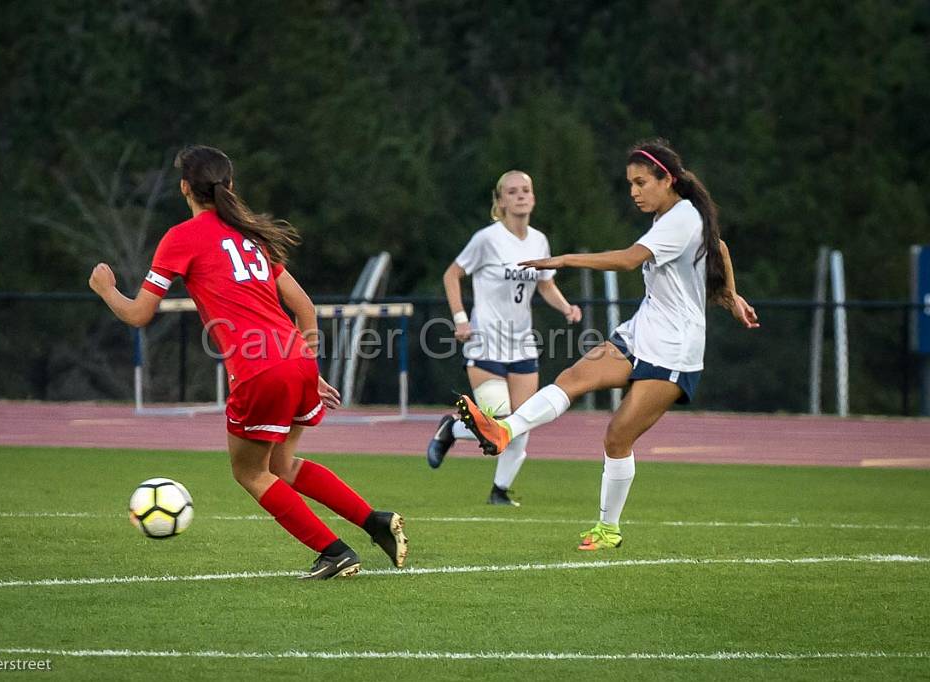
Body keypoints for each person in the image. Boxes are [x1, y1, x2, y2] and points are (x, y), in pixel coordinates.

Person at [89, 144, 407, 579]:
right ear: (230, 185)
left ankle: (334, 552)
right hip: (298, 358)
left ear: (184, 187)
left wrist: (107, 290)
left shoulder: (180, 238)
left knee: (250, 472)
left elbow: (140, 314)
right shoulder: (252, 235)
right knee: (283, 466)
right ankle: (375, 521)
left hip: (259, 368)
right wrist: (308, 372)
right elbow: (307, 308)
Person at [456, 139, 759, 548]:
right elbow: (716, 247)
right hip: (642, 330)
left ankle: (608, 528)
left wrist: (563, 260)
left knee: (617, 437)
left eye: (640, 183)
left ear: (665, 179)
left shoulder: (681, 216)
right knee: (574, 376)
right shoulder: (674, 215)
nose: (633, 192)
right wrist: (731, 296)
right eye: (630, 184)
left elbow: (628, 260)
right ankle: (504, 431)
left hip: (674, 347)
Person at [426, 170, 581, 506]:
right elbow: (452, 274)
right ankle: (451, 430)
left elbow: (545, 284)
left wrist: (566, 307)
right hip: (485, 342)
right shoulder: (487, 239)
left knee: (520, 424)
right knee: (497, 419)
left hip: (522, 343)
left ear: (534, 197)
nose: (521, 196)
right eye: (512, 192)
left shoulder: (539, 240)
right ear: (500, 202)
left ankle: (499, 491)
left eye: (526, 190)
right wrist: (460, 319)